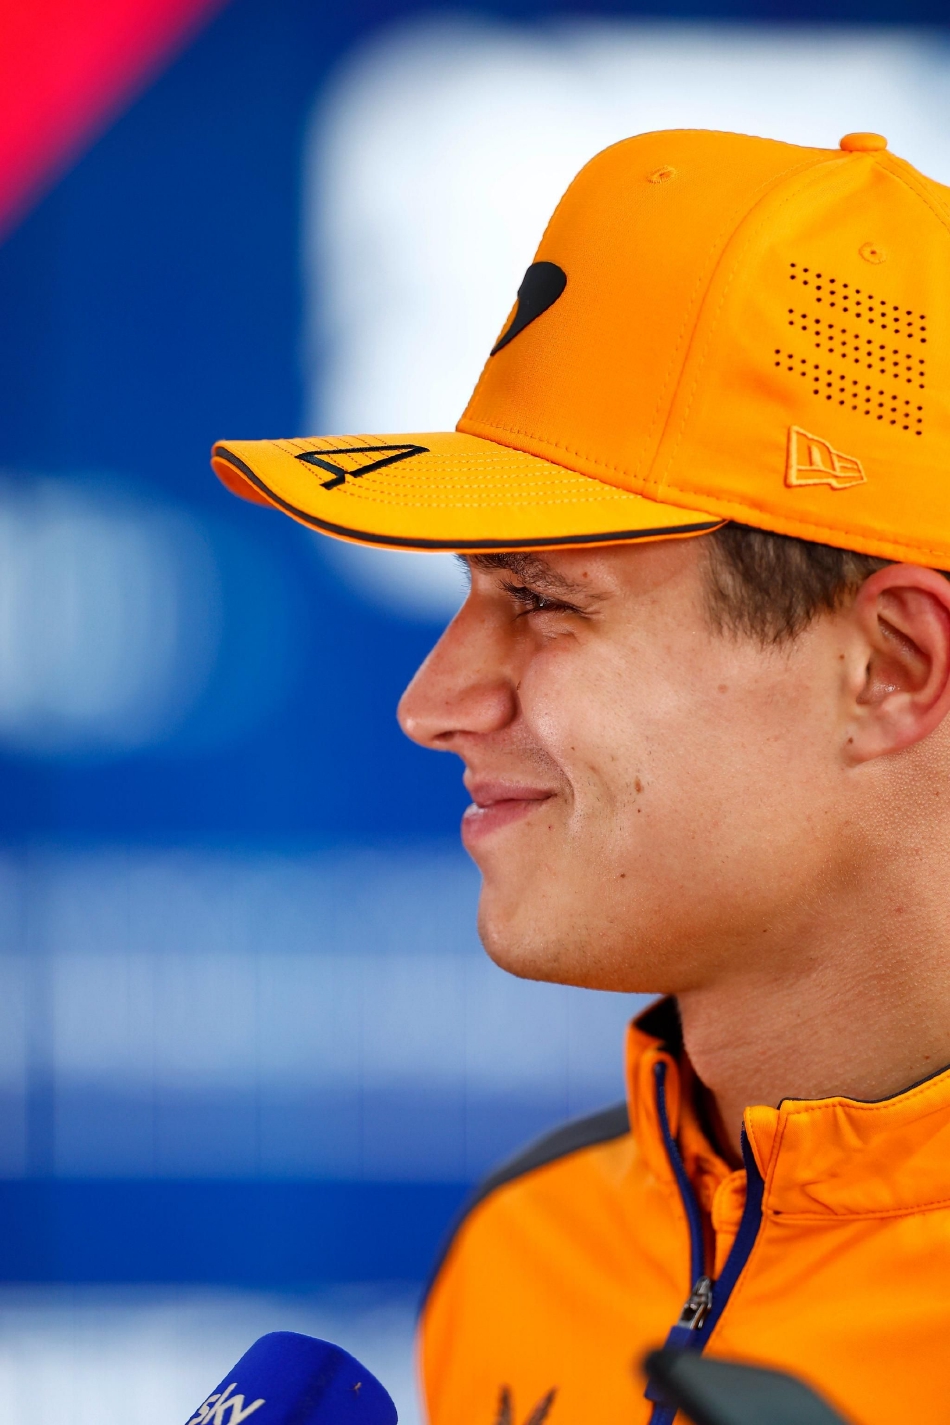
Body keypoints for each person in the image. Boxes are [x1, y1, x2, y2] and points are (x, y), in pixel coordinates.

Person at [211, 128, 950, 1425]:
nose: (431, 704)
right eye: (472, 592)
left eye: (544, 600)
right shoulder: (522, 1249)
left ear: (891, 666)